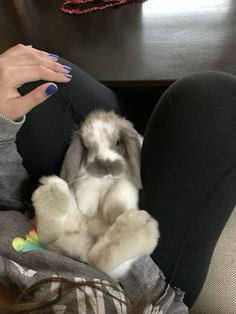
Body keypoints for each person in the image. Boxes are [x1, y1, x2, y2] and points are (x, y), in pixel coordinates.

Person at [0, 44, 235, 313]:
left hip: (40, 217)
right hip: (140, 281)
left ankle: (143, 139)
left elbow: (7, 213)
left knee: (33, 79)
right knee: (213, 97)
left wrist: (1, 129)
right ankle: (147, 142)